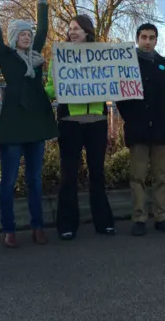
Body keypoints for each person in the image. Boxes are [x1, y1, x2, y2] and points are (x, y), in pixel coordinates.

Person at [0, 0, 58, 248]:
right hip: (13, 125)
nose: (27, 37)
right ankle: (9, 228)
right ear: (14, 39)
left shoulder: (36, 58)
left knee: (35, 180)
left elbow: (44, 29)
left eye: (28, 33)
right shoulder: (5, 57)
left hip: (35, 124)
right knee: (9, 180)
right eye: (22, 34)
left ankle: (37, 226)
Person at [46, 15, 115, 240]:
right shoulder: (59, 56)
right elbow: (49, 88)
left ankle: (103, 222)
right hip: (70, 122)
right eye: (70, 29)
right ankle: (67, 224)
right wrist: (54, 88)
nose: (71, 32)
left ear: (87, 32)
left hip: (96, 120)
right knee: (68, 174)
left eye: (76, 28)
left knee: (97, 173)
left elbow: (112, 82)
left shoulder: (101, 56)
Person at [116, 23, 165, 236]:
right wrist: (132, 119)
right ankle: (140, 217)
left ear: (156, 40)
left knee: (161, 175)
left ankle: (163, 216)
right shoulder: (127, 65)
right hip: (138, 128)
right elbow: (121, 99)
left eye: (152, 37)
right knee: (138, 176)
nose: (147, 41)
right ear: (137, 38)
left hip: (162, 128)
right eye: (143, 37)